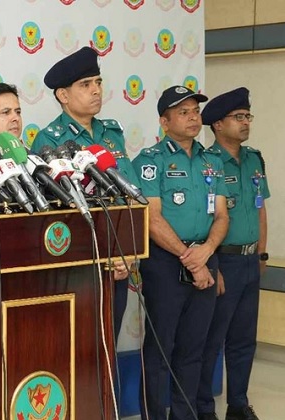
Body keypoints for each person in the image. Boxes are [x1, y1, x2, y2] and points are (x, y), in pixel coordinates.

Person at [132, 86, 229, 420]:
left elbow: (221, 216)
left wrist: (207, 253)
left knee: (193, 350)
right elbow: (151, 218)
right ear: (164, 120)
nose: (193, 117)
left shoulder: (212, 161)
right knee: (160, 351)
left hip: (206, 256)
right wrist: (192, 259)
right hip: (165, 263)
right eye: (183, 112)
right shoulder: (150, 161)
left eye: (195, 111)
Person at [30, 46, 134, 338]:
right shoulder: (49, 140)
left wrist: (126, 251)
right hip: (75, 261)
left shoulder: (112, 133)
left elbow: (128, 198)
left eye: (98, 83)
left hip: (115, 258)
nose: (96, 91)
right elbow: (50, 210)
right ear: (63, 95)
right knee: (77, 345)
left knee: (108, 342)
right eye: (85, 85)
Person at [196, 88, 267, 420]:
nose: (245, 123)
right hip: (223, 261)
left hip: (251, 261)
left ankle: (238, 404)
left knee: (244, 340)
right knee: (213, 340)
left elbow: (260, 209)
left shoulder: (254, 158)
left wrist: (262, 255)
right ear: (217, 124)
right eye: (238, 118)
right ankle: (204, 407)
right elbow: (207, 219)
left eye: (247, 117)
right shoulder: (207, 163)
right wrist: (215, 265)